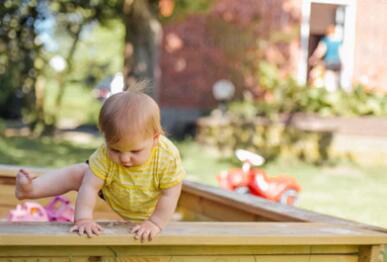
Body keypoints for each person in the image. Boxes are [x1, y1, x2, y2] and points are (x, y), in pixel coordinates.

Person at [15, 82, 185, 242]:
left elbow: (170, 194)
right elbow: (89, 187)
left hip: (149, 205)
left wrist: (155, 222)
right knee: (81, 173)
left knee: (163, 201)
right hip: (114, 191)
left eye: (135, 151)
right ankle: (31, 189)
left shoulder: (166, 157)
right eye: (115, 150)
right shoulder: (103, 154)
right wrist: (83, 219)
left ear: (155, 139)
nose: (124, 158)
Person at [309, 24, 342, 92]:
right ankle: (335, 93)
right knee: (335, 80)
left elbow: (320, 51)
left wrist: (314, 58)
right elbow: (341, 53)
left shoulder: (326, 40)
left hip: (329, 62)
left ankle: (330, 94)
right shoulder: (338, 41)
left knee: (329, 80)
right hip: (337, 63)